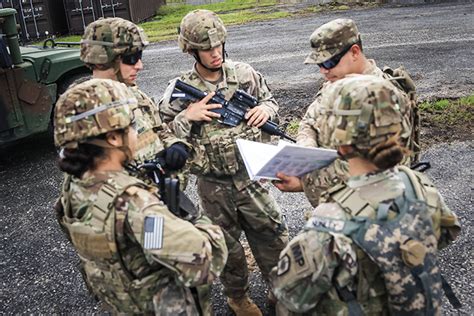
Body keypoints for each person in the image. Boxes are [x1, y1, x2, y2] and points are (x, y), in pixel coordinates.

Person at [270, 75, 460, 315]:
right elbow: (446, 233)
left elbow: (290, 301)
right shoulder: (417, 183)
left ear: (338, 142)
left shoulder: (326, 227)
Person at [53, 78, 228, 315]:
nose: (137, 132)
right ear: (114, 138)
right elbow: (205, 260)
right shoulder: (135, 205)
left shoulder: (73, 188)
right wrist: (189, 217)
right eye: (132, 125)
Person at [159, 9, 288, 315]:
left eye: (218, 46)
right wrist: (186, 117)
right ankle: (238, 297)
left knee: (273, 235)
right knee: (227, 248)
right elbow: (160, 135)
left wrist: (266, 111)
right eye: (207, 48)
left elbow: (270, 100)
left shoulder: (244, 74)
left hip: (251, 178)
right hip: (213, 184)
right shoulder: (179, 88)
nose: (215, 54)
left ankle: (281, 290)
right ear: (191, 49)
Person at [274, 18, 419, 207]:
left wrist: (305, 181)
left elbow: (376, 171)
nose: (324, 71)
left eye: (330, 62)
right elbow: (310, 120)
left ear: (355, 52)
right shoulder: (335, 83)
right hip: (338, 205)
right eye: (319, 65)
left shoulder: (383, 97)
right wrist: (306, 151)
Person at [80, 17, 189, 170]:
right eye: (131, 58)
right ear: (102, 61)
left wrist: (174, 145)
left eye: (140, 57)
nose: (140, 65)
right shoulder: (85, 111)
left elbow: (159, 130)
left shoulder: (134, 93)